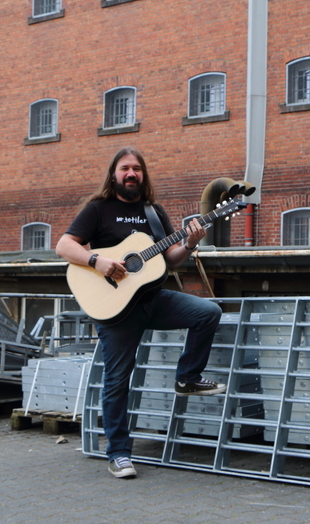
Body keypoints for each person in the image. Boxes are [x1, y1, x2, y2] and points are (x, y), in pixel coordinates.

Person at [55, 146, 225, 479]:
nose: (131, 174)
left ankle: (187, 378)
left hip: (152, 298)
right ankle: (118, 454)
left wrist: (189, 243)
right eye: (124, 168)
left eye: (137, 169)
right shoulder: (98, 209)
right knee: (117, 381)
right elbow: (64, 246)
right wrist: (98, 261)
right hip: (117, 310)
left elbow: (167, 260)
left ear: (143, 175)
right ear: (114, 174)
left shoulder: (154, 212)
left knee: (208, 312)